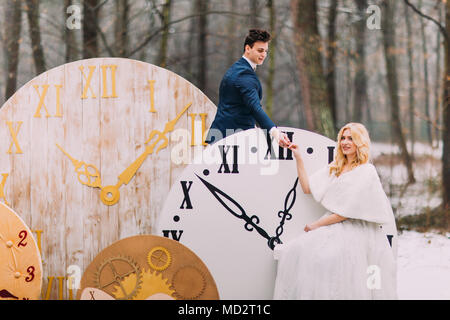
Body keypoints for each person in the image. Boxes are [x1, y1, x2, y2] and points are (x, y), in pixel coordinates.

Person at [273, 123, 397, 299]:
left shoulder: (366, 171)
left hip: (355, 229)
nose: (345, 142)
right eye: (343, 138)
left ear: (359, 143)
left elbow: (345, 212)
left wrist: (315, 225)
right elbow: (308, 188)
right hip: (334, 224)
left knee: (336, 264)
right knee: (297, 251)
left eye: (351, 138)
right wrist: (298, 157)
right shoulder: (336, 167)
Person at [205, 29, 290, 147]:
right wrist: (275, 133)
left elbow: (239, 107)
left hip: (224, 137)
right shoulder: (243, 74)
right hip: (230, 141)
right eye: (260, 50)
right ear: (248, 48)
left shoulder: (237, 69)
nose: (264, 55)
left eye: (266, 51)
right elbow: (254, 107)